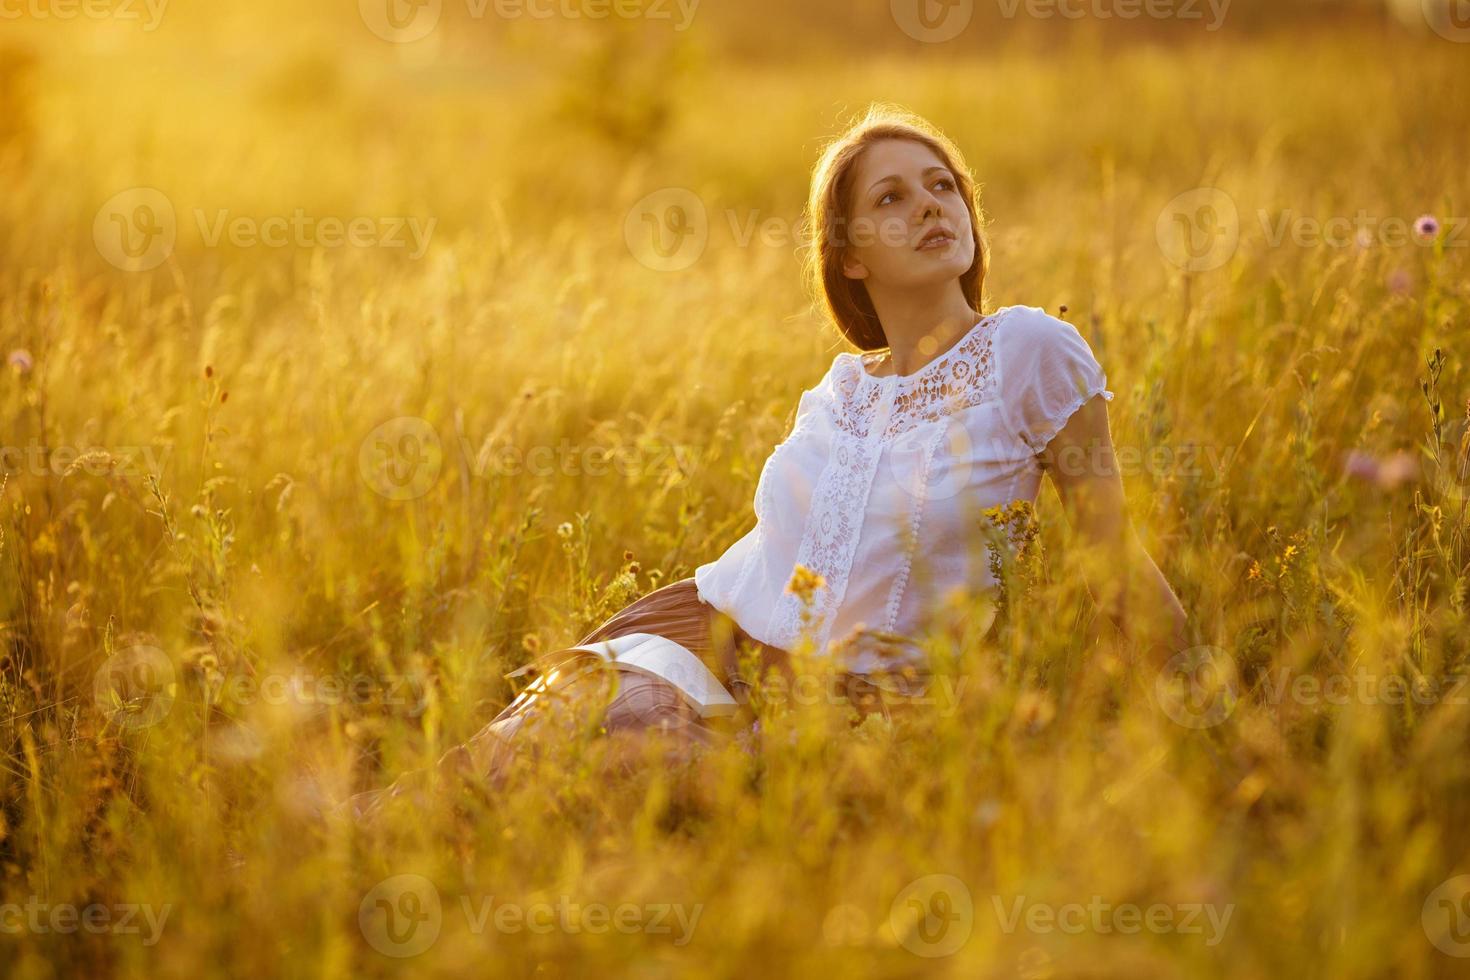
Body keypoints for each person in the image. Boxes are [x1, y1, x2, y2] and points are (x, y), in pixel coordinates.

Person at [342, 104, 1190, 822]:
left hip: (874, 705)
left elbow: (1111, 547)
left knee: (635, 783)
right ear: (851, 255)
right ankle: (358, 835)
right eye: (892, 198)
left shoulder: (1029, 350)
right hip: (711, 636)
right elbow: (781, 555)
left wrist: (1200, 715)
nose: (932, 207)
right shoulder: (840, 391)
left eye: (943, 187)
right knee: (524, 758)